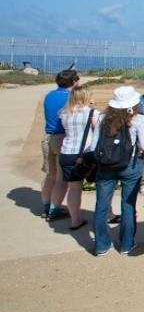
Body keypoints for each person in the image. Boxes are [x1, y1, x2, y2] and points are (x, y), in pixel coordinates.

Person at [93, 86, 144, 256]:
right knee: (128, 205)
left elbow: (94, 145)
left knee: (102, 206)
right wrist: (142, 156)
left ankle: (101, 245)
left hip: (105, 166)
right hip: (130, 165)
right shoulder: (138, 119)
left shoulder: (102, 118)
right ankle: (126, 243)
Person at [57, 86, 99, 231]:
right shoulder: (92, 113)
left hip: (67, 152)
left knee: (74, 188)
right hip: (86, 153)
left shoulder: (64, 113)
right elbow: (98, 131)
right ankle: (107, 214)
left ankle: (75, 220)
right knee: (101, 185)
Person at [41, 69, 78, 220]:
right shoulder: (71, 97)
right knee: (61, 178)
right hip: (62, 137)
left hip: (48, 136)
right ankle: (54, 209)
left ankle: (46, 206)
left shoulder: (49, 95)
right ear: (73, 82)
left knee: (50, 174)